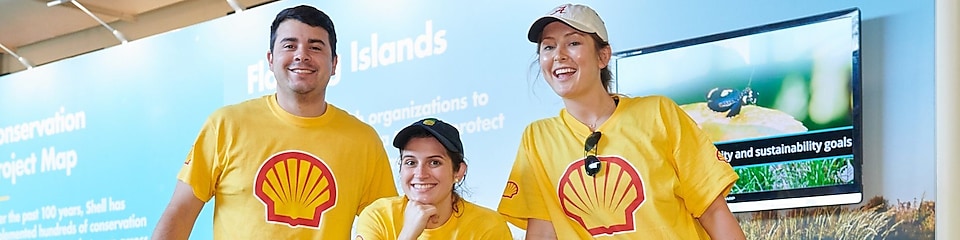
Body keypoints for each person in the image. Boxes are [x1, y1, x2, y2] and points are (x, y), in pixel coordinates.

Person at [497, 3, 746, 239]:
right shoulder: (537, 138)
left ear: (603, 56)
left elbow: (713, 212)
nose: (559, 56)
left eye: (573, 42)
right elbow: (543, 233)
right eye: (548, 47)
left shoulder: (659, 113)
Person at [151, 5, 397, 239]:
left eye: (315, 47)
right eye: (290, 45)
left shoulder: (363, 140)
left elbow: (386, 226)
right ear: (270, 59)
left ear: (334, 64)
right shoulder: (226, 125)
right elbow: (180, 213)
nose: (302, 55)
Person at [355, 118, 513, 240]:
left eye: (434, 162)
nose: (421, 174)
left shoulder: (488, 226)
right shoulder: (378, 216)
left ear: (458, 171)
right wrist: (408, 234)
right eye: (411, 162)